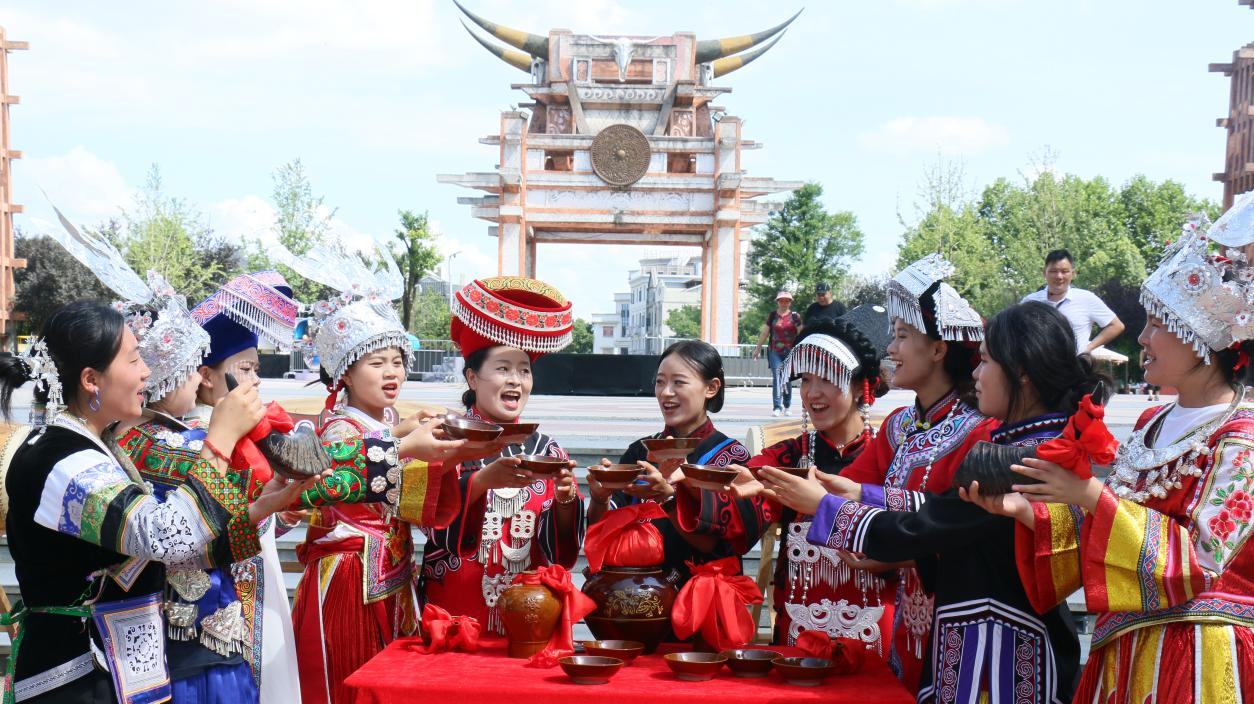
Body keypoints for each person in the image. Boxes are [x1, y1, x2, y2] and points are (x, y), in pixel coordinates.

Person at [971, 208, 1254, 703]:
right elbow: (1109, 534)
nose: (1141, 340)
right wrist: (1030, 514)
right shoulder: (1151, 424)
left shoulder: (1241, 438)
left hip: (1198, 654)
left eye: (1157, 325)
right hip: (1124, 647)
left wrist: (1088, 494)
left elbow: (1202, 560)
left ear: (1202, 339)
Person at [763, 302, 1095, 703]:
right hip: (972, 636)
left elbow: (933, 523)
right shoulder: (1027, 443)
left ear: (1021, 372)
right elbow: (946, 517)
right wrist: (856, 493)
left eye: (986, 361)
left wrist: (828, 508)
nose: (975, 372)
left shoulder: (1027, 456)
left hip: (1003, 651)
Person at [0, 301, 313, 703]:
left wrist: (261, 508)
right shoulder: (60, 459)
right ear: (91, 379)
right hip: (76, 678)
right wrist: (220, 440)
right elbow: (164, 537)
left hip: (113, 671)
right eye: (133, 360)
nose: (146, 372)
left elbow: (150, 560)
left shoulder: (92, 447)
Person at [831, 253, 995, 693]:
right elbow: (851, 487)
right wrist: (766, 482)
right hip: (909, 609)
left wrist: (892, 550)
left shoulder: (979, 431)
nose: (890, 349)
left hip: (960, 607)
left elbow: (964, 528)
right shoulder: (900, 424)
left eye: (902, 336)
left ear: (939, 349)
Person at [285, 251, 433, 704]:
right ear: (345, 371)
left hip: (392, 568)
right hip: (351, 574)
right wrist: (402, 442)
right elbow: (334, 483)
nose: (392, 372)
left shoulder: (389, 419)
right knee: (351, 677)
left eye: (397, 360)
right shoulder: (338, 429)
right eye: (377, 363)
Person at [417, 276, 585, 635]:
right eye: (503, 369)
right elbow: (423, 514)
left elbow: (561, 548)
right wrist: (479, 483)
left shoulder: (547, 450)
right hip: (454, 608)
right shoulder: (444, 439)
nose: (516, 380)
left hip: (530, 610)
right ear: (472, 378)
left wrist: (567, 503)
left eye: (524, 370)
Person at [724, 318, 894, 650]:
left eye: (827, 379)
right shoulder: (788, 456)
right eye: (804, 379)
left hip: (878, 630)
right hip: (800, 632)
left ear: (861, 386)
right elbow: (745, 492)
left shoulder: (891, 454)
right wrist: (691, 490)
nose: (812, 393)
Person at [587, 340, 761, 591]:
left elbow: (716, 546)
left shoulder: (731, 458)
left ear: (711, 388)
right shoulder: (639, 452)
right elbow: (600, 533)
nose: (666, 392)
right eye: (660, 381)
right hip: (635, 600)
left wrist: (668, 497)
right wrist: (599, 498)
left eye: (678, 382)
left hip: (699, 601)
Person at [1021, 249, 1124, 354]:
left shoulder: (1086, 299)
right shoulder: (1030, 302)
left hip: (1073, 365)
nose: (1059, 276)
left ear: (1073, 273)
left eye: (1064, 271)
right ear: (1044, 273)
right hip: (1038, 366)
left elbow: (1116, 325)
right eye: (1053, 271)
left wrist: (1087, 349)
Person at [753, 289, 802, 416]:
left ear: (790, 302)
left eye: (787, 300)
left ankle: (787, 405)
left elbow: (801, 333)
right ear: (778, 302)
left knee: (787, 378)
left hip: (790, 351)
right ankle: (777, 406)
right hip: (774, 351)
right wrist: (758, 348)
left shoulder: (795, 316)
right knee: (777, 377)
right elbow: (765, 332)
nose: (784, 303)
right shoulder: (773, 315)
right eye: (781, 300)